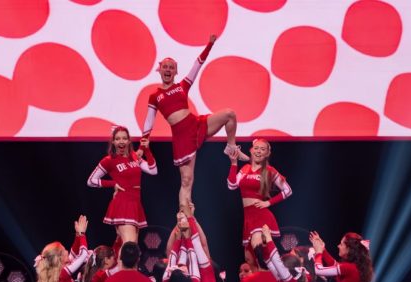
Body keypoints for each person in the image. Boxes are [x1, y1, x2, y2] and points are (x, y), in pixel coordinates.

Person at [142, 34, 249, 206]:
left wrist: (210, 44)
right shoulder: (155, 96)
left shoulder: (182, 86)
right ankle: (185, 216)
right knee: (186, 180)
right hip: (182, 137)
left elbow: (198, 64)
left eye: (171, 67)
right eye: (165, 67)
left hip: (196, 125)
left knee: (229, 114)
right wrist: (142, 144)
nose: (168, 70)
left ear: (176, 72)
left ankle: (230, 147)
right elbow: (149, 121)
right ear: (159, 70)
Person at [87, 126, 157, 245]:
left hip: (135, 204)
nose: (121, 141)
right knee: (130, 246)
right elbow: (91, 181)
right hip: (123, 204)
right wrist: (113, 183)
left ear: (129, 141)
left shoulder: (134, 156)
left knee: (131, 247)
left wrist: (147, 151)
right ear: (113, 142)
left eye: (124, 138)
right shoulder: (109, 160)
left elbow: (153, 170)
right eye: (118, 139)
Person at [227, 138, 292, 247]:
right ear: (251, 150)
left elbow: (288, 190)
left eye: (262, 149)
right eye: (256, 148)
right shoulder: (245, 168)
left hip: (260, 215)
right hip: (248, 216)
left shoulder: (270, 170)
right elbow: (231, 185)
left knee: (258, 248)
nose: (258, 151)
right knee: (250, 255)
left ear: (267, 153)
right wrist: (234, 164)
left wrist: (269, 202)